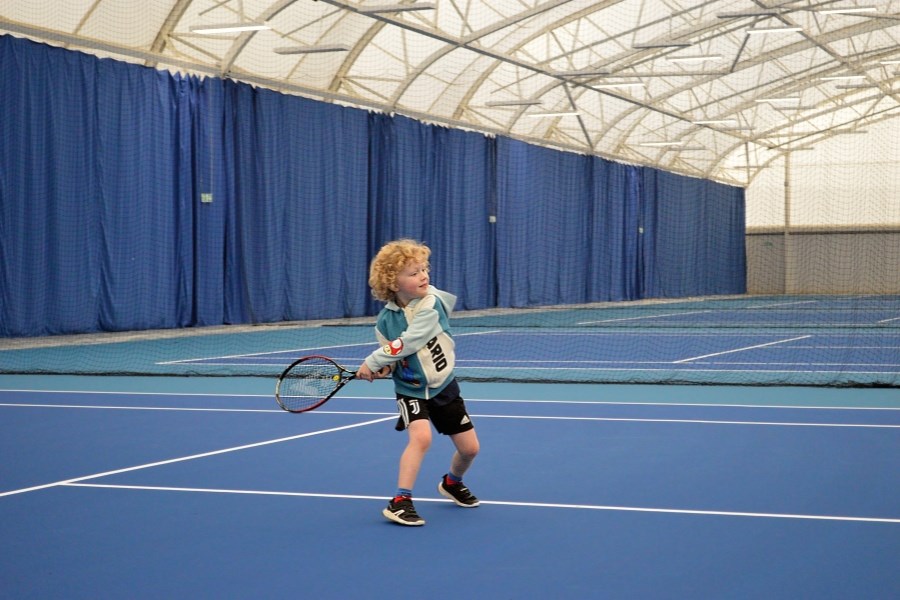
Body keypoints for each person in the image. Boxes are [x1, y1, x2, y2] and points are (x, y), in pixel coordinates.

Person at [356, 239, 480, 526]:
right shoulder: (385, 322)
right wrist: (381, 370)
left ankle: (451, 482)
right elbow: (392, 359)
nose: (424, 275)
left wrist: (372, 362)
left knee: (470, 449)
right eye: (413, 273)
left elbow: (410, 341)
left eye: (424, 269)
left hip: (443, 386)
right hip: (410, 390)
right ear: (393, 282)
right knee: (421, 438)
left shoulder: (432, 304)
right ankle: (401, 501)